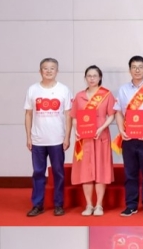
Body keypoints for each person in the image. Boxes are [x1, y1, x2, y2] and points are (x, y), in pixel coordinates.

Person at [25, 58, 72, 217]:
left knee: (58, 173)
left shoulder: (64, 90)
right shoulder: (32, 89)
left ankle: (59, 204)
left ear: (57, 71)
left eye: (52, 68)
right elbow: (28, 114)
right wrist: (28, 137)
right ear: (40, 71)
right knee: (38, 173)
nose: (49, 71)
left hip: (57, 140)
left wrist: (67, 137)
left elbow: (68, 115)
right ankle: (37, 205)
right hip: (38, 140)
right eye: (45, 68)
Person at [115, 55, 143, 216]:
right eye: (134, 67)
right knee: (130, 173)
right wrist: (121, 130)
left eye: (140, 67)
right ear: (130, 70)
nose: (137, 70)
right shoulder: (123, 90)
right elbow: (118, 112)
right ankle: (131, 205)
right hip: (129, 138)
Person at [70, 66, 115, 216]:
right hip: (84, 139)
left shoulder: (106, 94)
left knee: (101, 170)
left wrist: (101, 128)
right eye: (89, 76)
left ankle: (99, 205)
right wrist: (76, 130)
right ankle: (89, 205)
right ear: (85, 78)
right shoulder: (79, 96)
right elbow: (75, 117)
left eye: (95, 76)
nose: (92, 78)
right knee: (86, 171)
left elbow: (111, 115)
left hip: (101, 136)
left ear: (100, 77)